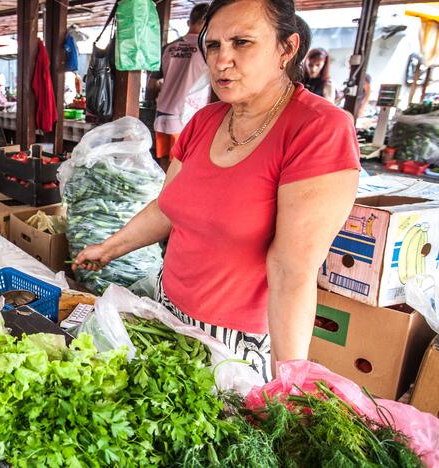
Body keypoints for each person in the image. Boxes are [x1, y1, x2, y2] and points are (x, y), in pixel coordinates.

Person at [74, 0, 360, 381]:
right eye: (213, 45)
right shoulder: (205, 121)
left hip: (236, 342)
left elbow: (292, 270)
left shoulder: (319, 129)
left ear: (286, 49)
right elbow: (167, 207)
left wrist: (288, 380)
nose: (221, 61)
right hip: (165, 311)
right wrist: (110, 248)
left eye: (242, 43)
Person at [152, 3, 212, 163]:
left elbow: (153, 82)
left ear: (188, 22)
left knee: (163, 164)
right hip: (187, 117)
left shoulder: (168, 48)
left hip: (162, 113)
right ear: (209, 24)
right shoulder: (209, 51)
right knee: (180, 166)